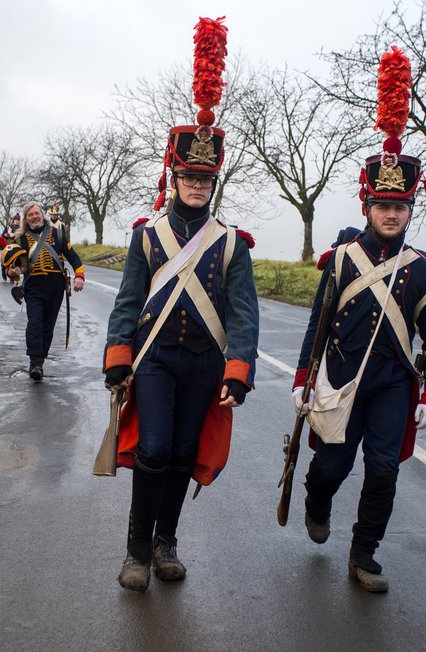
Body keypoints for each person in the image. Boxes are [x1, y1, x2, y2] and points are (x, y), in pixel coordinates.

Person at [102, 16, 259, 593]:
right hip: (158, 358)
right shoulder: (147, 236)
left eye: (205, 178)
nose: (196, 185)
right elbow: (127, 302)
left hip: (205, 363)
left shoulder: (230, 243)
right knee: (155, 447)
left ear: (214, 181)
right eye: (189, 176)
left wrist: (239, 369)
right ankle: (136, 551)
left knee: (184, 452)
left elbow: (244, 313)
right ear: (174, 176)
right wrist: (118, 356)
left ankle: (167, 541)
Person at [292, 47, 426, 594]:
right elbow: (316, 327)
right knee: (332, 468)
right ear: (367, 206)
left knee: (383, 470)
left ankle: (363, 555)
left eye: (400, 206)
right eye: (382, 204)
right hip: (340, 381)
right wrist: (301, 382)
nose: (391, 213)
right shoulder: (339, 260)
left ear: (409, 210)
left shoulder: (422, 272)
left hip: (392, 385)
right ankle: (316, 499)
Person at [14, 201, 85, 381]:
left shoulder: (58, 234)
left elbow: (73, 257)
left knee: (48, 326)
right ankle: (35, 363)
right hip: (34, 286)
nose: (34, 217)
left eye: (36, 213)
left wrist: (79, 276)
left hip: (55, 286)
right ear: (26, 219)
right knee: (35, 323)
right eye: (30, 215)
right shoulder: (21, 239)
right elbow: (17, 265)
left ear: (42, 215)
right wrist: (13, 271)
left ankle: (40, 360)